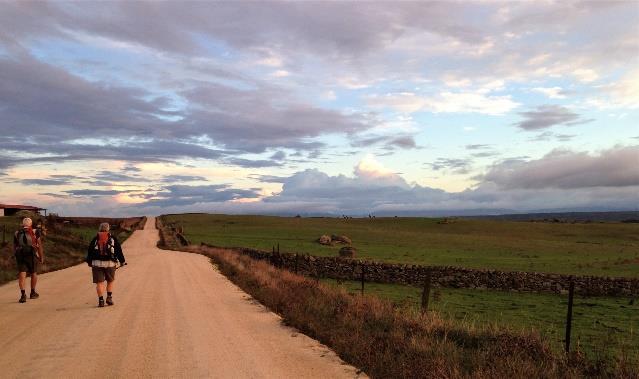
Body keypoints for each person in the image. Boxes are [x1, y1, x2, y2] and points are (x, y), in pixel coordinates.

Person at [86, 222, 125, 307]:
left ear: (99, 229)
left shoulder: (95, 238)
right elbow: (118, 250)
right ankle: (109, 298)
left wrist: (89, 262)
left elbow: (90, 251)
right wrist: (122, 261)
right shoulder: (113, 238)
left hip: (97, 263)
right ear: (108, 229)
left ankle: (101, 301)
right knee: (110, 281)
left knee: (99, 283)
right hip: (110, 263)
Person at [13, 217, 44, 303]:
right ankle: (32, 293)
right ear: (30, 224)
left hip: (20, 255)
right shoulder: (35, 231)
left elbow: (15, 247)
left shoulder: (17, 233)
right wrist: (41, 257)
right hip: (31, 254)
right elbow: (39, 245)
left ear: (23, 224)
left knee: (22, 273)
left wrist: (16, 256)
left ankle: (23, 295)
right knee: (33, 273)